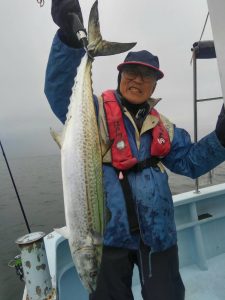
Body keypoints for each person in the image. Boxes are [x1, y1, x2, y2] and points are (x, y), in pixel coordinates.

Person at [44, 1, 225, 299]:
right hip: (108, 239)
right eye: (132, 71)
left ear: (154, 86)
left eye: (147, 75)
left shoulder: (162, 127)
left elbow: (191, 162)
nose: (138, 79)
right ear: (120, 75)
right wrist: (67, 38)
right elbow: (59, 92)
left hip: (158, 237)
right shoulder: (96, 112)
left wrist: (221, 138)